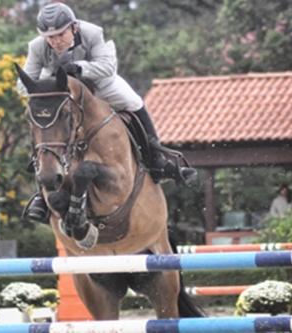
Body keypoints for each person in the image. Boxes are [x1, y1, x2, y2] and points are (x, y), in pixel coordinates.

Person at [18, 3, 195, 223]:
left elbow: (107, 67)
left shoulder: (92, 33)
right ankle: (41, 193)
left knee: (133, 101)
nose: (55, 41)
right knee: (45, 122)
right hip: (63, 91)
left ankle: (155, 157)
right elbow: (23, 84)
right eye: (50, 37)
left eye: (59, 34)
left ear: (73, 28)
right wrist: (45, 90)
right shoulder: (37, 47)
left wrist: (81, 68)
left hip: (100, 84)